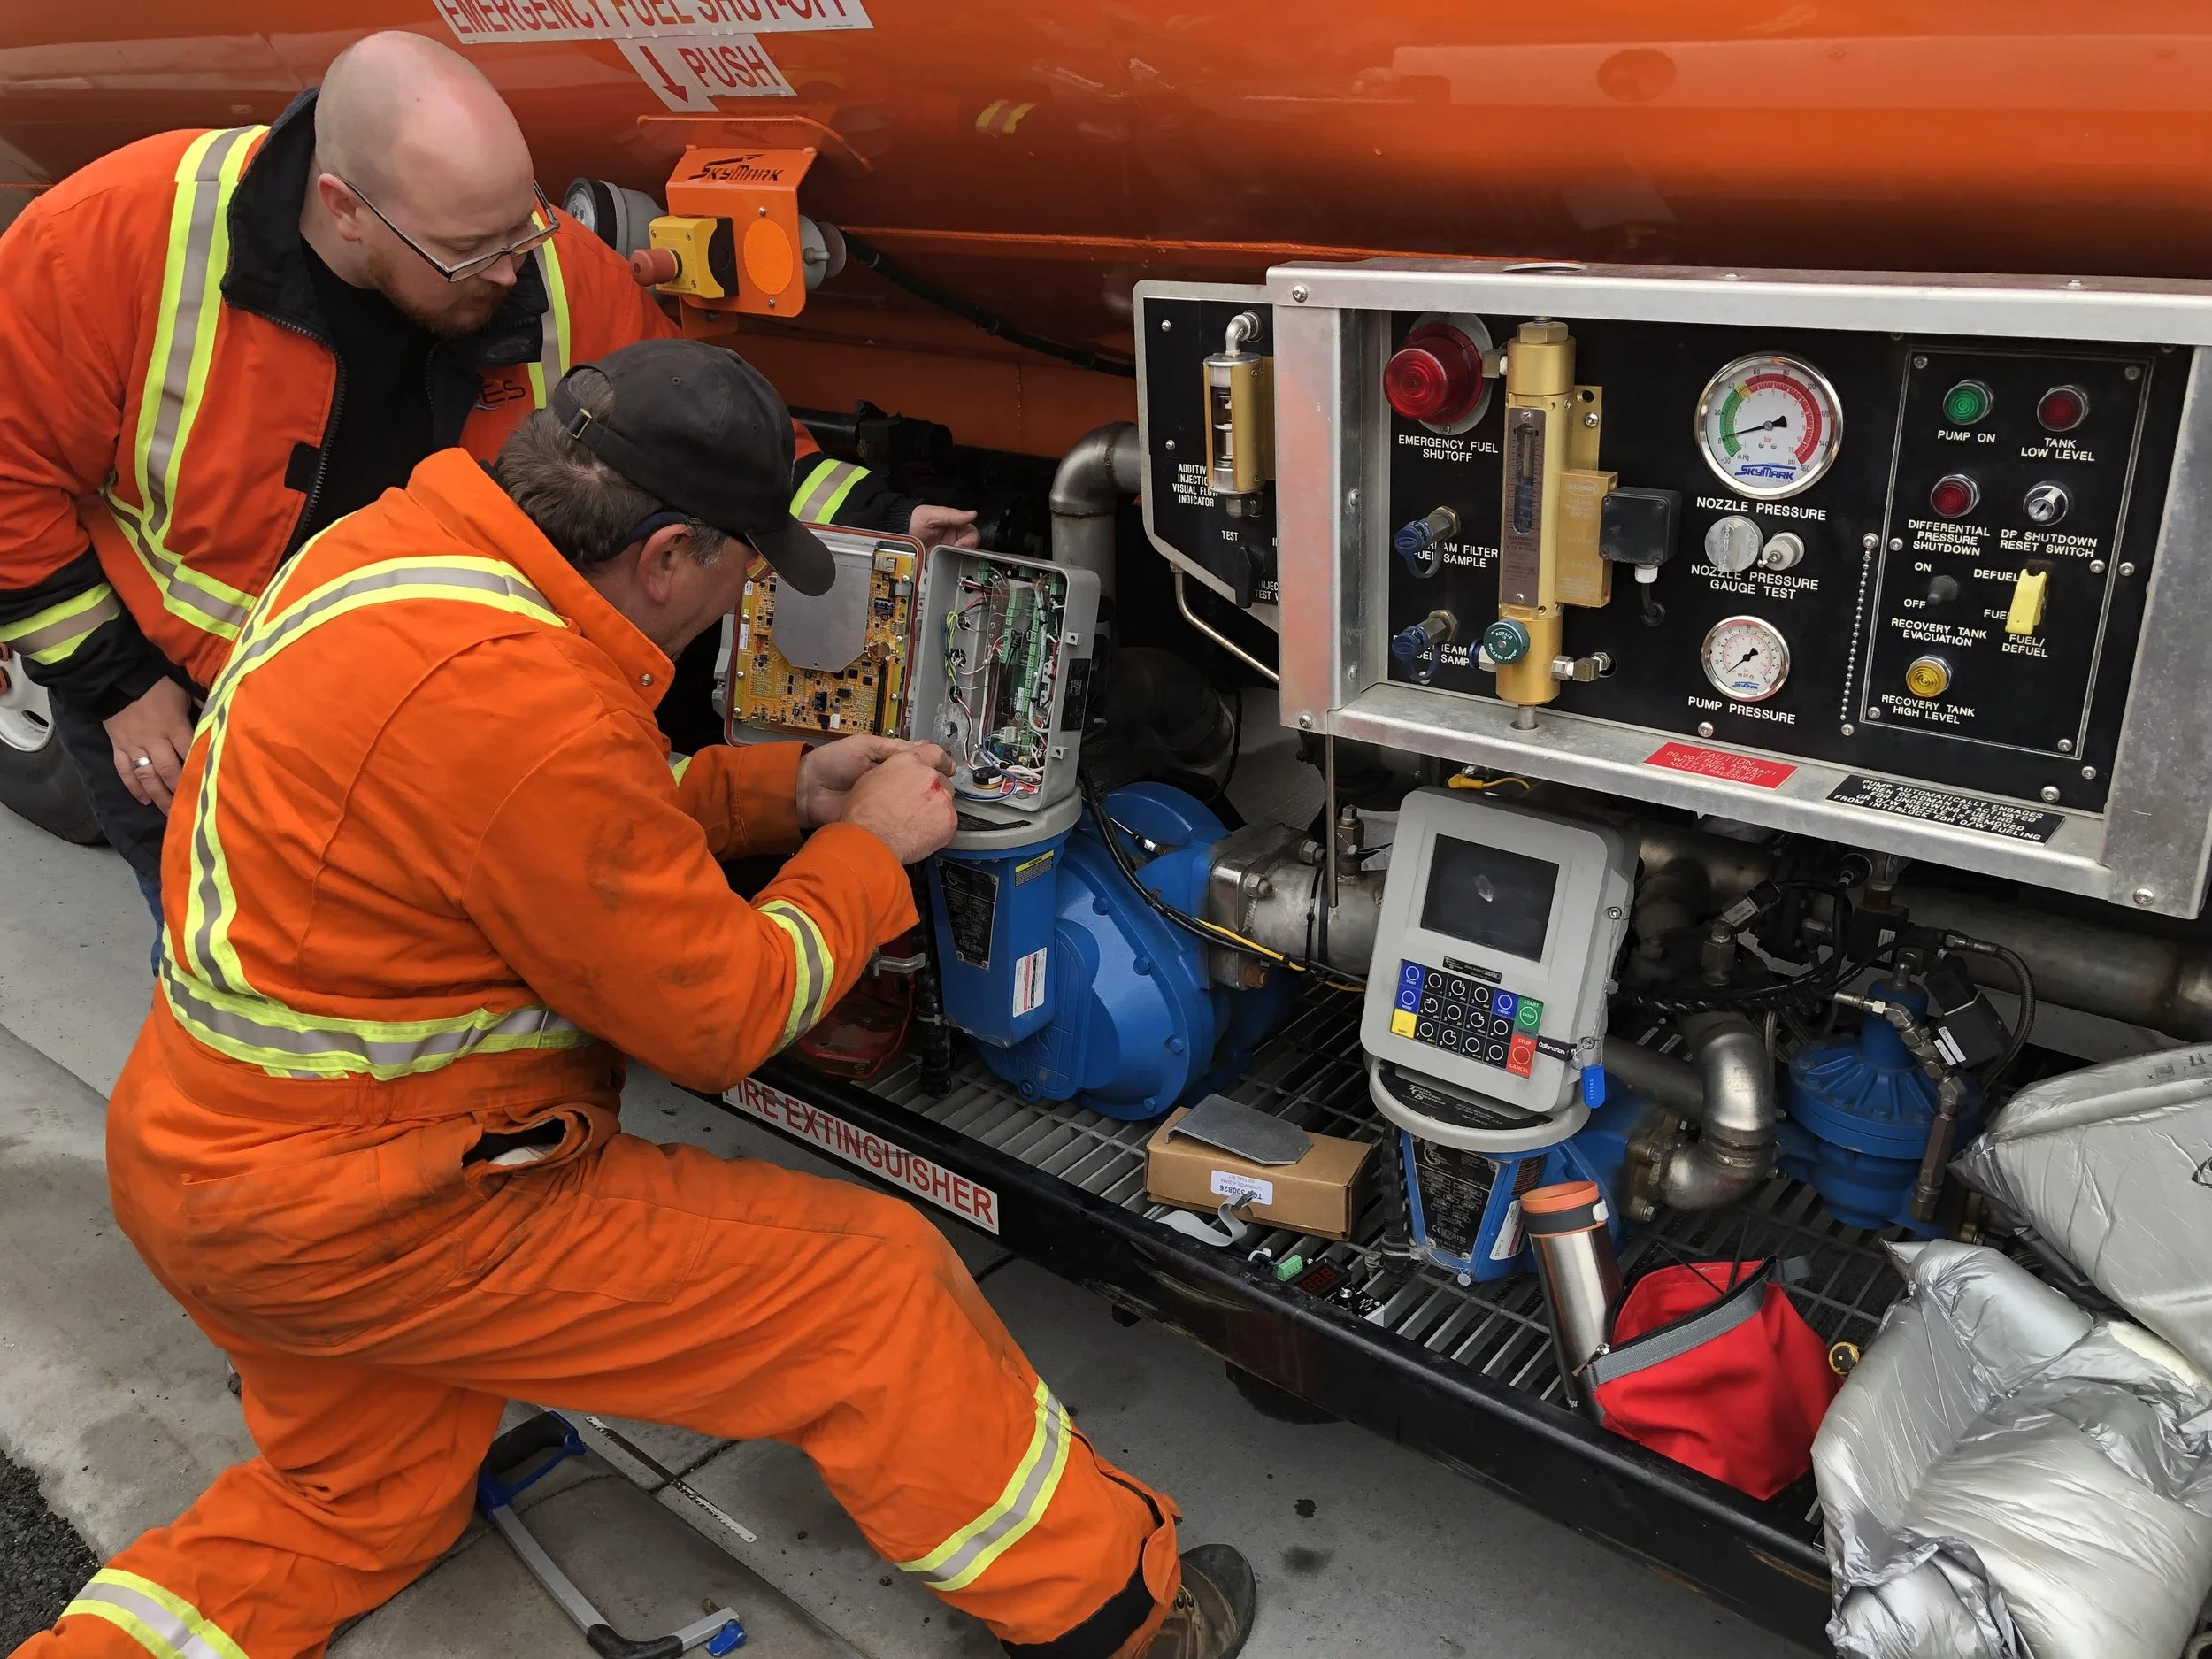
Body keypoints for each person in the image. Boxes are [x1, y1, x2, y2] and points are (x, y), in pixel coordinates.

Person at [9, 338, 1256, 1659]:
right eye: (743, 568)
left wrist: (784, 790)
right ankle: (1116, 1611)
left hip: (210, 1172)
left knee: (354, 1510)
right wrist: (866, 851)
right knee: (868, 1291)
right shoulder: (525, 704)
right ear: (666, 556)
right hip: (383, 1215)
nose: (744, 596)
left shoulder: (389, 555)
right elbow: (718, 1016)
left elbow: (535, 830)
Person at [0, 29, 976, 912]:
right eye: (470, 252)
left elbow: (704, 442)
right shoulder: (112, 241)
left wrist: (883, 514)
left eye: (524, 228)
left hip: (421, 707)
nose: (513, 273)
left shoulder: (543, 263)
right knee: (245, 955)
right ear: (345, 210)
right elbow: (9, 480)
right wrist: (118, 686)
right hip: (186, 693)